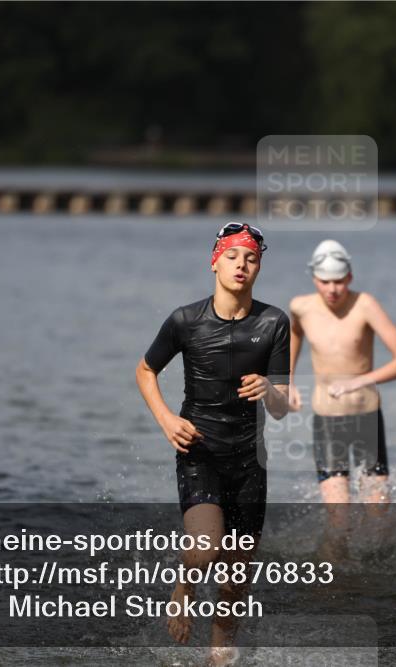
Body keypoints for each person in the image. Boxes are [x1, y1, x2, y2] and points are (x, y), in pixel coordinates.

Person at [135, 222, 290, 663]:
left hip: (249, 461)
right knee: (204, 548)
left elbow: (282, 405)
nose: (242, 265)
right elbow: (145, 371)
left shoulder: (275, 322)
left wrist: (271, 389)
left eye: (252, 259)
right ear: (215, 261)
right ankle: (184, 585)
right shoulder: (186, 320)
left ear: (259, 268)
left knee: (236, 579)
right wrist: (166, 420)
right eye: (233, 257)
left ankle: (220, 656)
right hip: (198, 451)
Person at [288, 239, 396, 505]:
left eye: (339, 281)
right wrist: (287, 380)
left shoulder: (365, 305)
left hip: (365, 418)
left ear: (350, 276)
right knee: (338, 516)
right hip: (327, 421)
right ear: (313, 278)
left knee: (377, 511)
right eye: (325, 281)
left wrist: (358, 382)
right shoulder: (301, 307)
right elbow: (294, 335)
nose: (333, 289)